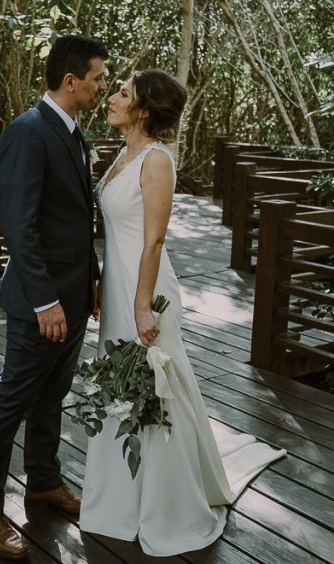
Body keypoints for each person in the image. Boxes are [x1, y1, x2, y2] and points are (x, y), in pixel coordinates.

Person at [79, 70, 285, 555]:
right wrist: (101, 284)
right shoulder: (119, 156)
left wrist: (140, 304)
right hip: (117, 284)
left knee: (156, 386)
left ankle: (167, 502)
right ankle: (119, 494)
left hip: (145, 289)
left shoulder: (157, 161)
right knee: (121, 384)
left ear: (144, 110)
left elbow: (153, 239)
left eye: (123, 93)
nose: (111, 97)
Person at [0, 34, 107, 560]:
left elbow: (78, 221)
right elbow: (18, 227)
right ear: (70, 81)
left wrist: (92, 280)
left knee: (53, 395)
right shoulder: (27, 133)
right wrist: (47, 301)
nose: (102, 86)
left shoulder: (74, 133)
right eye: (97, 77)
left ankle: (43, 480)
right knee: (8, 406)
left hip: (73, 298)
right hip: (39, 304)